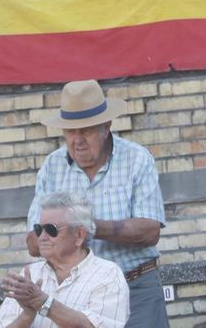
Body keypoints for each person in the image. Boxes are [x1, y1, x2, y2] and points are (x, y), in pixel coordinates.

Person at [27, 81, 167, 328]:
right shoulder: (52, 166)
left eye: (87, 131)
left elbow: (149, 231)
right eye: (71, 132)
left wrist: (85, 227)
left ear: (106, 126)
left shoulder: (136, 159)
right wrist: (62, 232)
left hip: (135, 287)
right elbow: (33, 243)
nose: (77, 140)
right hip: (73, 293)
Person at [0, 190, 129, 328]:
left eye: (51, 229)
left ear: (79, 235)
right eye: (38, 229)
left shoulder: (107, 274)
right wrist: (27, 314)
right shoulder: (30, 274)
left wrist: (43, 303)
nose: (42, 237)